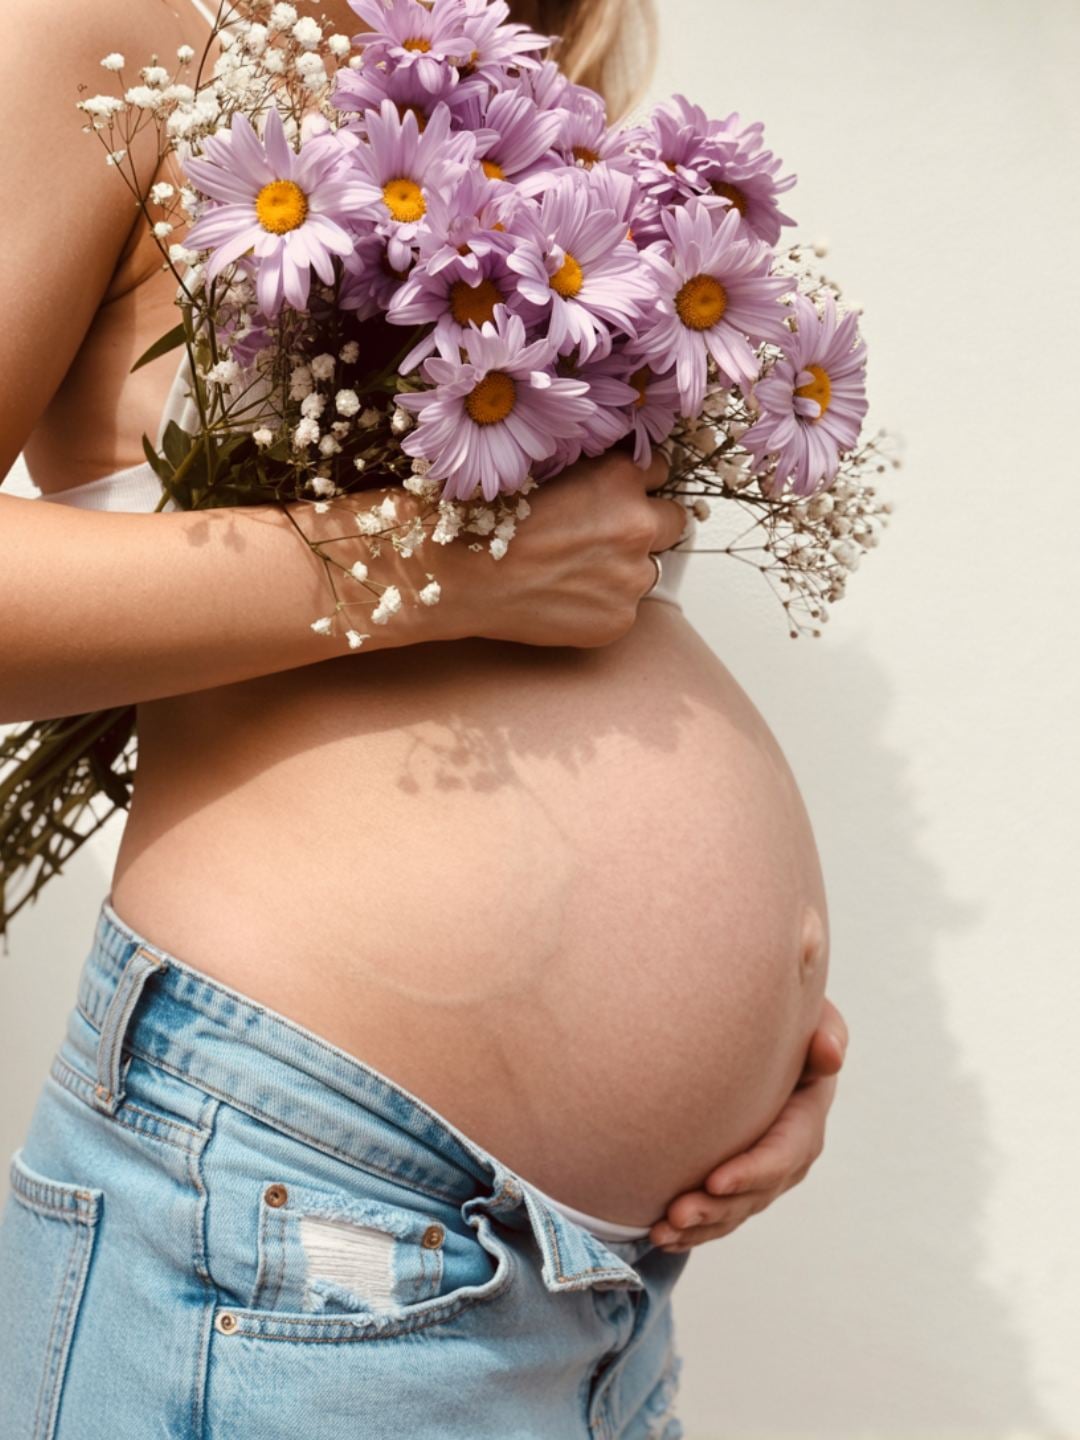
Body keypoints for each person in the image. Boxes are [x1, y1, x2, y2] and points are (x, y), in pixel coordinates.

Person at [0, 0, 849, 1433]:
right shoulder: (116, 26)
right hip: (298, 1233)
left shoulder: (532, 94)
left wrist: (745, 1043)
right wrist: (436, 564)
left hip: (598, 1289)